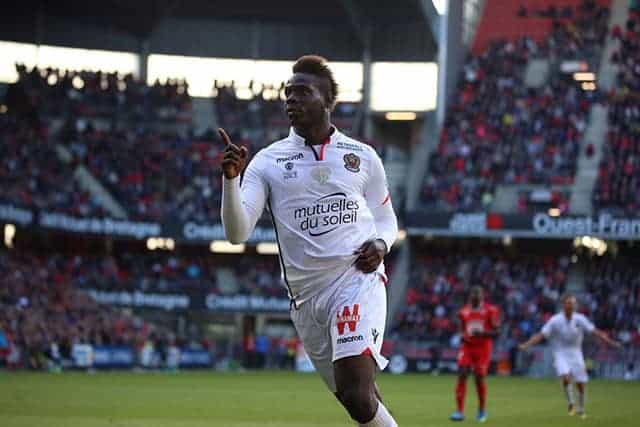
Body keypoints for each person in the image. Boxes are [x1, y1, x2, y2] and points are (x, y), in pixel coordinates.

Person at [219, 55, 398, 426]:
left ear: (328, 99)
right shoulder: (268, 162)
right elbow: (237, 234)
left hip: (354, 281)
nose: (290, 99)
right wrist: (231, 181)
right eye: (288, 92)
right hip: (305, 301)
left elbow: (385, 219)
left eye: (302, 91)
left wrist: (382, 244)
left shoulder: (362, 157)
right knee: (359, 402)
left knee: (357, 394)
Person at [518, 292, 622, 419]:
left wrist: (611, 342)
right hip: (560, 352)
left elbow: (595, 332)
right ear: (563, 305)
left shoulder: (580, 319)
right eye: (569, 303)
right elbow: (541, 335)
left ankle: (581, 408)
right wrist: (526, 345)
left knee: (580, 384)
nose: (572, 305)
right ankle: (571, 403)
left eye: (573, 303)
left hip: (576, 353)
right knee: (566, 377)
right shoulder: (555, 320)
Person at [450, 286, 500, 423]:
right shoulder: (464, 312)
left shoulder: (490, 311)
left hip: (483, 348)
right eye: (474, 296)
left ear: (482, 297)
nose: (476, 298)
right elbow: (461, 329)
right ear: (471, 297)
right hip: (467, 347)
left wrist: (482, 333)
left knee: (479, 377)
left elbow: (497, 331)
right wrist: (462, 336)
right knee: (462, 373)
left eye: (478, 296)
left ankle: (481, 410)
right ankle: (459, 411)